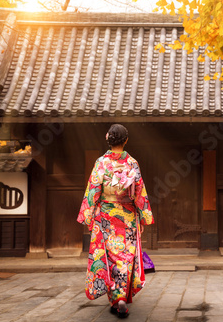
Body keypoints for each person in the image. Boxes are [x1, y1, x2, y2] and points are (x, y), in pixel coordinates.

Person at [77, 124, 154, 318]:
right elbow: (139, 192)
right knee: (125, 258)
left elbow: (93, 190)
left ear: (107, 139)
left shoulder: (101, 163)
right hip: (127, 216)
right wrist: (143, 217)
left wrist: (88, 215)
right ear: (126, 140)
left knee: (109, 257)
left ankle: (116, 298)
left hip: (105, 217)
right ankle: (120, 298)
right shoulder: (132, 163)